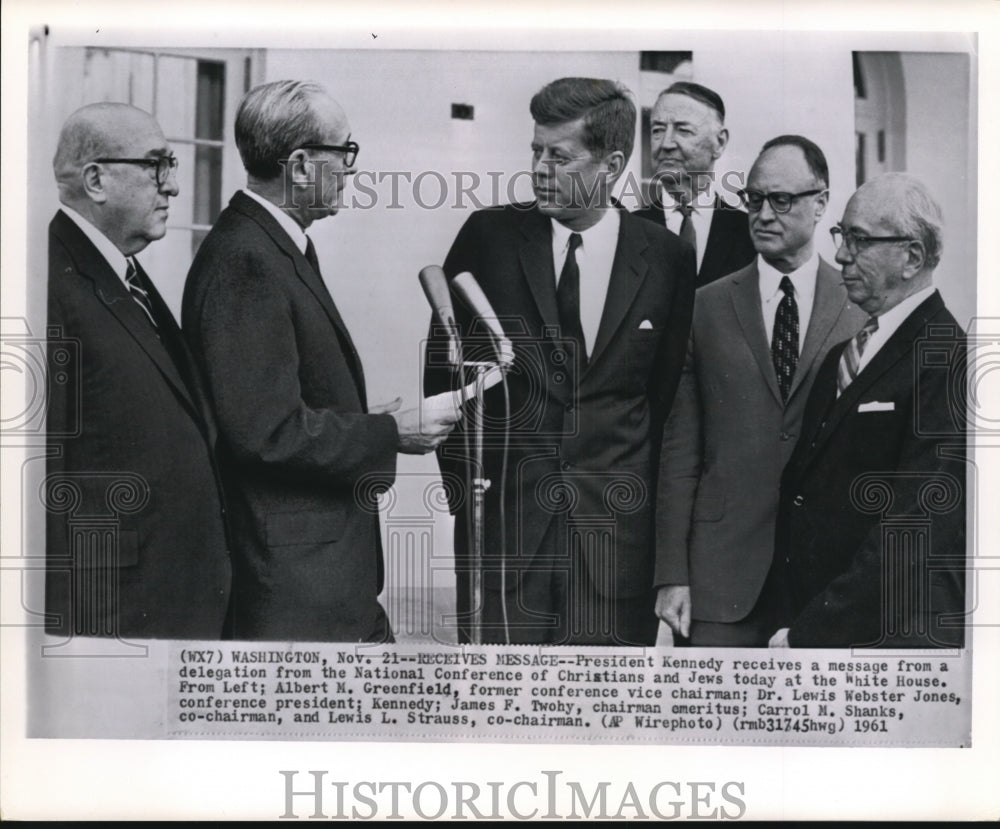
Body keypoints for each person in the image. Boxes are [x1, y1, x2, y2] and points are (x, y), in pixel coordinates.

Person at [182, 80, 458, 643]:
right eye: (345, 152)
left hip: (316, 573)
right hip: (294, 584)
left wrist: (362, 423)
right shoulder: (248, 261)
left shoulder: (270, 245)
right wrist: (388, 433)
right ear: (303, 165)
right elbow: (266, 433)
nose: (351, 169)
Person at [425, 77, 696, 646]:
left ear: (612, 163)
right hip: (504, 538)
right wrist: (466, 496)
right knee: (497, 716)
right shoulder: (489, 238)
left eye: (559, 156)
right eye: (535, 152)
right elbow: (445, 370)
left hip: (615, 546)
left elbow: (667, 400)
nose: (539, 169)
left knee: (605, 719)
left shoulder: (666, 258)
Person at [655, 135, 865, 646]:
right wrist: (671, 574)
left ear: (821, 203)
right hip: (719, 576)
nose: (763, 214)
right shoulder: (706, 307)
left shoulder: (859, 310)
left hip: (822, 579)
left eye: (782, 200)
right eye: (754, 200)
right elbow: (680, 451)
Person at [46, 103, 231, 639]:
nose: (171, 186)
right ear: (96, 180)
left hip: (170, 598)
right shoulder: (45, 281)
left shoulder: (125, 273)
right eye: (156, 166)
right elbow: (37, 476)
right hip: (110, 614)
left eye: (170, 165)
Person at [771, 173, 966, 649]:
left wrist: (810, 632)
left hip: (888, 639)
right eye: (841, 236)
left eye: (859, 240)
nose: (840, 255)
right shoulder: (843, 356)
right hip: (823, 623)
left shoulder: (948, 358)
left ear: (912, 257)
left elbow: (914, 529)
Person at [634, 81, 755, 287]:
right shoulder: (627, 231)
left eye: (683, 130)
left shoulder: (751, 235)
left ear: (720, 143)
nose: (666, 144)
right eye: (657, 130)